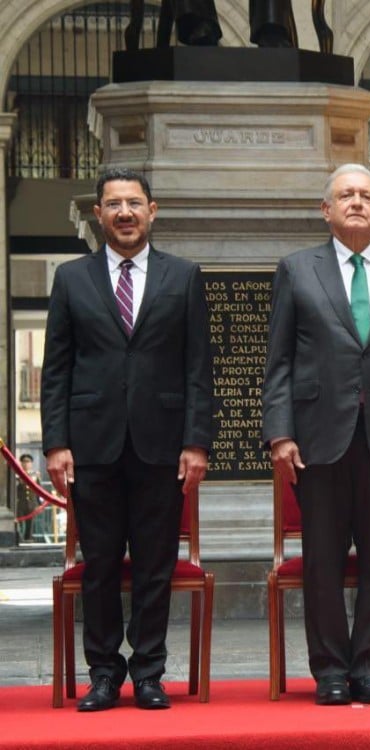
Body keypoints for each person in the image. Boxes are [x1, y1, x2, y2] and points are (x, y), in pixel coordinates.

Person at [262, 163, 370, 706]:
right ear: (326, 210)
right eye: (346, 195)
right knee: (324, 560)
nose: (356, 202)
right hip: (318, 439)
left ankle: (369, 668)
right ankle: (331, 671)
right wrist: (280, 434)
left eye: (366, 196)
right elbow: (279, 362)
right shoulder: (297, 270)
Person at [40, 167, 214, 712]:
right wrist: (55, 444)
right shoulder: (71, 279)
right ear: (98, 214)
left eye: (134, 203)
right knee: (100, 566)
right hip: (92, 447)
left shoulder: (183, 276)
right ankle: (103, 674)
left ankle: (148, 673)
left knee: (154, 567)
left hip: (162, 446)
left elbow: (198, 369)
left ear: (152, 211)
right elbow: (57, 369)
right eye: (113, 204)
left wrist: (197, 442)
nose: (124, 213)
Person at [14, 454, 42, 543]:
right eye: (24, 462)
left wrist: (39, 503)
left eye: (28, 462)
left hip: (31, 503)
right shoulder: (17, 475)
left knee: (30, 522)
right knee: (19, 522)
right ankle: (19, 538)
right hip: (20, 503)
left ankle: (28, 538)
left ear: (31, 464)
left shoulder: (35, 475)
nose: (26, 464)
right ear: (21, 463)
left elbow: (39, 490)